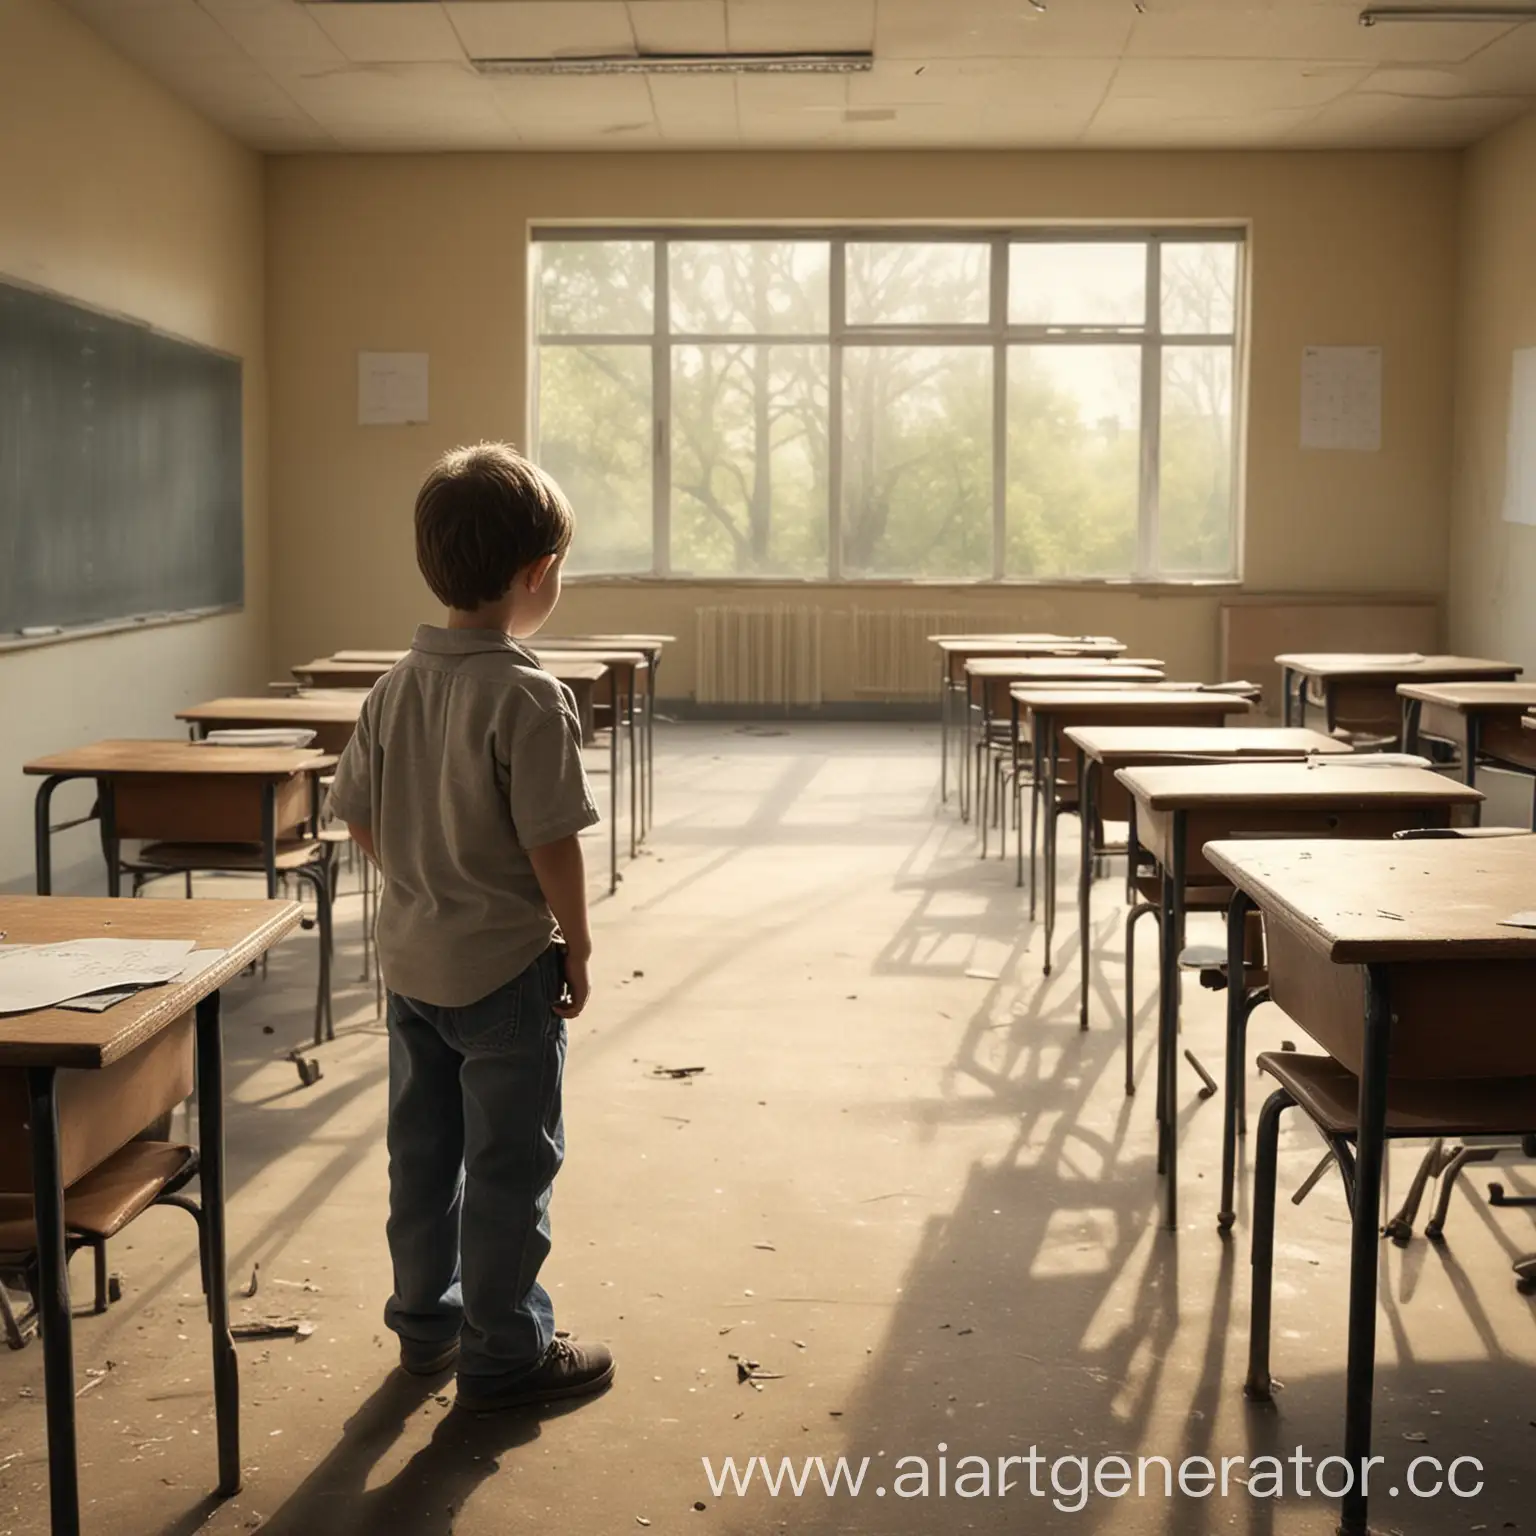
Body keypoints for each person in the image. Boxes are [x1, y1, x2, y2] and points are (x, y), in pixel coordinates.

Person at [329, 441, 614, 1411]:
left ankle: (426, 1327)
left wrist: (419, 877)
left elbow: (357, 812)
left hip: (412, 968)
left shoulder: (390, 688)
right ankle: (506, 1350)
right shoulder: (530, 695)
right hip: (504, 973)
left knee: (424, 1153)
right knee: (510, 1163)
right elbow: (552, 843)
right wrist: (575, 941)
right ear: (537, 575)